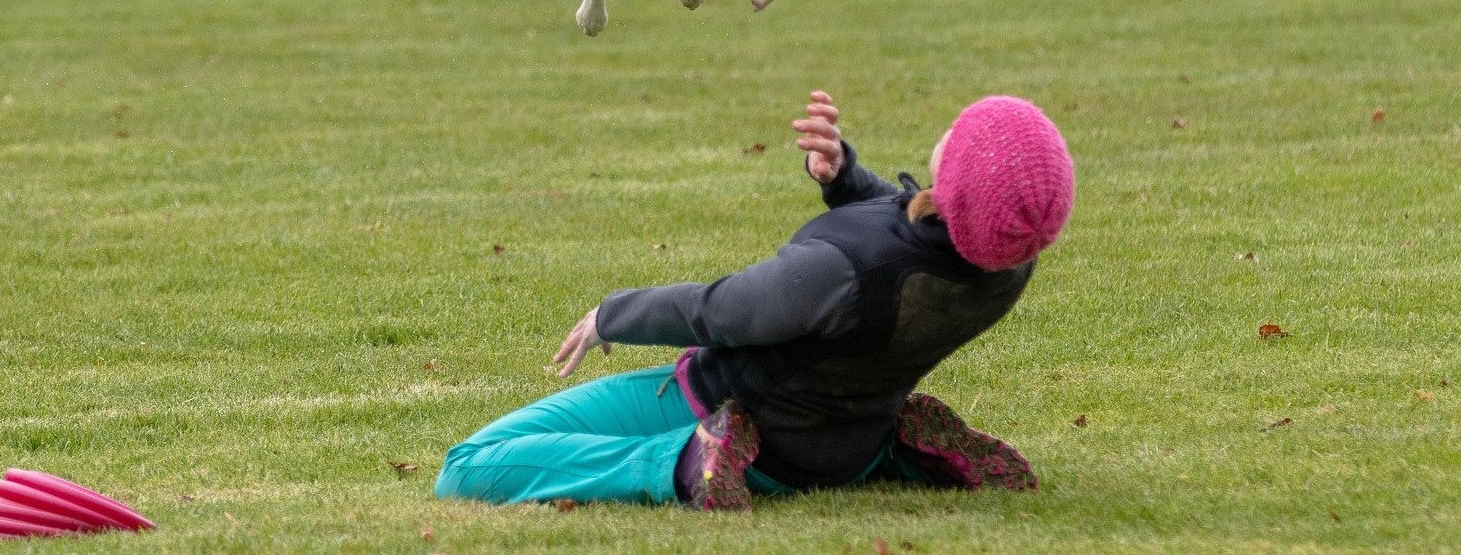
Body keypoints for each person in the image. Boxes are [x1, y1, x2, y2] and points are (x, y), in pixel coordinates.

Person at [434, 91, 1076, 511]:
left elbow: (722, 313)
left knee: (466, 467)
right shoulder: (1005, 259)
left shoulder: (840, 272)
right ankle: (898, 454)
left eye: (960, 133)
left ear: (955, 175)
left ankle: (682, 462)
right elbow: (917, 234)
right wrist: (845, 178)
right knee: (854, 425)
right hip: (848, 439)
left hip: (742, 418)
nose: (952, 128)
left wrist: (613, 314)